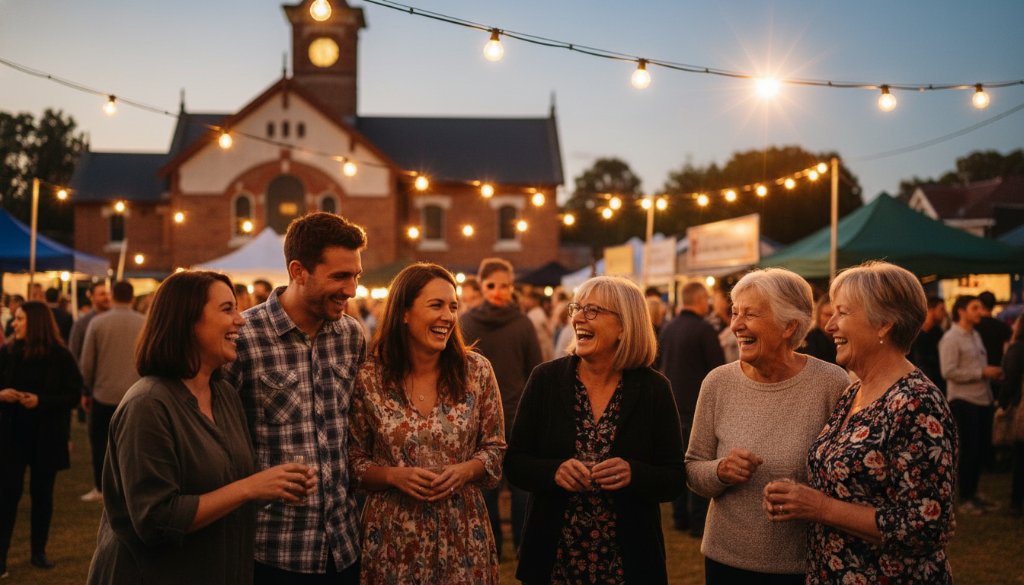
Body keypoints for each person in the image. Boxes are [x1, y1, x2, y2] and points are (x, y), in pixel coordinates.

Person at [87, 271, 313, 585]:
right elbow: (155, 519)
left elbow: (223, 486)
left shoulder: (224, 396)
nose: (241, 320)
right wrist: (250, 487)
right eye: (226, 309)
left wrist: (275, 484)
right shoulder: (149, 404)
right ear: (187, 321)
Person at [765, 261, 958, 584]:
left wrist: (821, 507)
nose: (830, 325)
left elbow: (925, 527)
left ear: (884, 324)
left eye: (843, 313)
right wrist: (798, 499)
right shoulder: (854, 390)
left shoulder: (916, 403)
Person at [506, 276, 685, 584]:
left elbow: (674, 478)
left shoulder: (654, 389)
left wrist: (634, 474)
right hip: (554, 560)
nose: (576, 317)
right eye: (577, 307)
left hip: (627, 563)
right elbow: (515, 463)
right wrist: (554, 471)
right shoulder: (546, 380)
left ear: (624, 326)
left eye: (592, 310)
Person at [223, 212, 367, 584]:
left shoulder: (351, 335)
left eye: (356, 276)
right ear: (299, 271)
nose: (351, 289)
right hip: (274, 549)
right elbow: (216, 442)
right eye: (340, 276)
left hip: (346, 545)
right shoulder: (243, 338)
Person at [687, 268, 848, 583]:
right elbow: (693, 469)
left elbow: (847, 481)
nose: (736, 325)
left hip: (802, 565)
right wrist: (720, 471)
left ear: (789, 326)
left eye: (750, 314)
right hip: (725, 561)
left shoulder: (831, 383)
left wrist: (810, 496)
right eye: (735, 313)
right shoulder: (717, 382)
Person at [348, 263, 506, 584]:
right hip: (393, 537)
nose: (448, 316)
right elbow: (353, 460)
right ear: (404, 313)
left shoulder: (476, 371)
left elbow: (495, 448)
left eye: (453, 307)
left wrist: (464, 471)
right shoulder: (369, 376)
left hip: (462, 531)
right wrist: (393, 475)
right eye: (436, 305)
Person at [460, 257, 542, 559]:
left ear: (512, 287)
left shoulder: (523, 323)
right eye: (492, 285)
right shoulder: (466, 322)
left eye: (504, 285)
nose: (498, 291)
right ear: (482, 286)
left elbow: (534, 370)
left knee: (520, 484)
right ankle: (492, 544)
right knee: (485, 486)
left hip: (517, 413)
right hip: (478, 417)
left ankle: (522, 544)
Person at [0, 301, 82, 577]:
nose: (14, 323)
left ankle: (38, 552)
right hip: (11, 436)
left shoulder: (60, 355)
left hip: (45, 436)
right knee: (6, 496)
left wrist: (41, 401)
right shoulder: (9, 352)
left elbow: (73, 394)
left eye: (20, 319)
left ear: (34, 322)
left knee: (42, 495)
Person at [658, 281, 725, 538]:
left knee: (679, 465)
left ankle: (679, 518)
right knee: (698, 465)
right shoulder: (705, 329)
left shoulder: (668, 328)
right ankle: (697, 524)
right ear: (699, 300)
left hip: (673, 406)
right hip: (698, 407)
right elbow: (719, 370)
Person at [78, 281, 146, 503]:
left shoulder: (98, 323)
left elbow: (87, 363)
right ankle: (133, 488)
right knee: (134, 446)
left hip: (103, 394)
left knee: (100, 444)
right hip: (136, 393)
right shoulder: (144, 322)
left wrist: (86, 389)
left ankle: (100, 487)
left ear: (112, 297)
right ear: (132, 298)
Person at [940, 294, 1003, 515]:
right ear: (961, 311)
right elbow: (948, 371)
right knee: (969, 450)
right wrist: (981, 372)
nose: (980, 312)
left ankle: (974, 493)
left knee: (979, 450)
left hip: (982, 398)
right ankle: (965, 497)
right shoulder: (951, 338)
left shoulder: (975, 335)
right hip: (964, 401)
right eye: (974, 308)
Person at [999, 314, 1024, 516]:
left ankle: (1016, 502)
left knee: (1021, 456)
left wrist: (1003, 403)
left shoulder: (1017, 349)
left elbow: (1011, 379)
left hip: (1021, 407)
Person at [909, 296, 947, 393]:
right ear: (930, 309)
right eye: (941, 309)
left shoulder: (938, 332)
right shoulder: (914, 332)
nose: (944, 313)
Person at [68, 282, 112, 359]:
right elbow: (73, 351)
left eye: (108, 294)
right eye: (102, 294)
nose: (107, 297)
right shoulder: (81, 324)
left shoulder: (113, 321)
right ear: (92, 297)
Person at [797, 295, 837, 364]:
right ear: (818, 315)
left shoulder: (843, 340)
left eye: (835, 315)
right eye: (827, 315)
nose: (831, 320)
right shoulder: (808, 338)